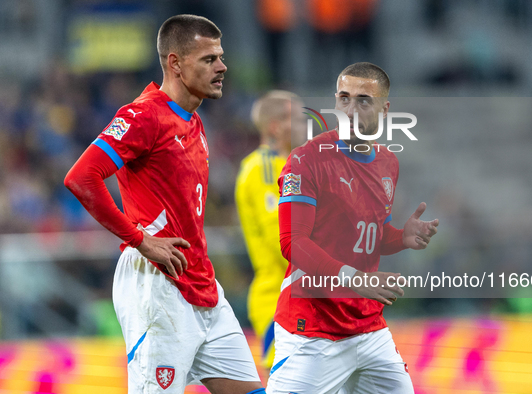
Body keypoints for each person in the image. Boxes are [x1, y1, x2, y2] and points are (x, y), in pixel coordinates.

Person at [64, 15, 265, 394]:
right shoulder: (143, 115)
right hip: (156, 283)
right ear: (175, 63)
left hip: (203, 285)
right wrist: (139, 238)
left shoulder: (193, 120)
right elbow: (80, 177)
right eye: (208, 59)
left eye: (220, 57)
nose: (222, 67)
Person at [267, 62, 439, 393]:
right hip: (313, 327)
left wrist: (401, 237)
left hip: (367, 326)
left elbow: (369, 236)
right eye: (344, 98)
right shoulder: (307, 160)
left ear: (384, 109)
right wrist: (355, 279)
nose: (350, 108)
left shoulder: (389, 162)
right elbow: (293, 243)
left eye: (363, 100)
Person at [235, 91, 306, 370]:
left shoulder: (296, 166)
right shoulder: (261, 168)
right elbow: (282, 239)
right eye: (299, 120)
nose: (306, 127)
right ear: (276, 126)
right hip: (280, 299)